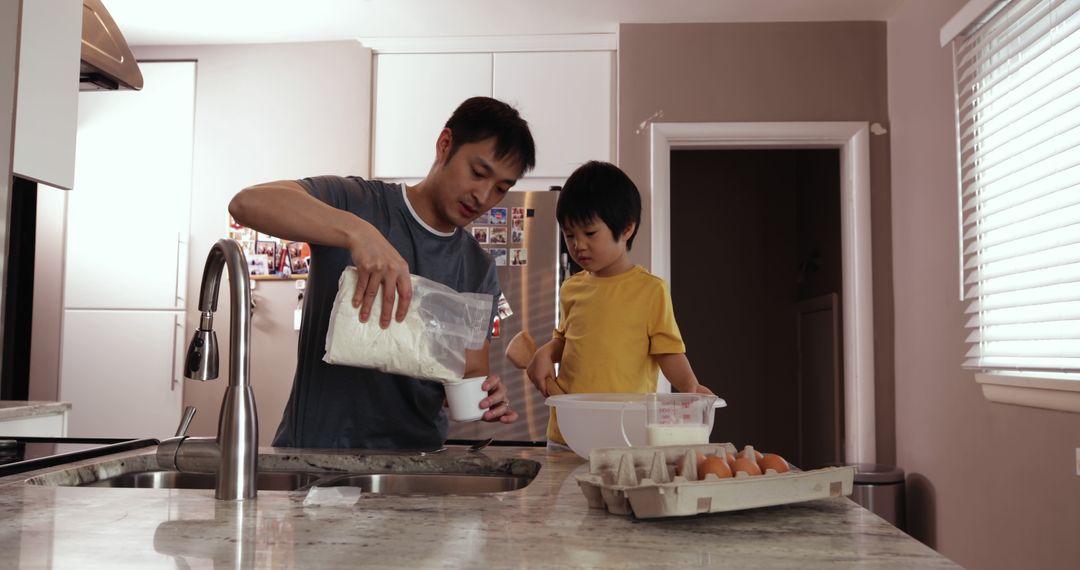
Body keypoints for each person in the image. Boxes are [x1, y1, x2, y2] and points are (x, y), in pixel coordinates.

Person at [229, 97, 535, 450]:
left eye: (500, 187)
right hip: (317, 454)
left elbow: (468, 369)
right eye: (478, 173)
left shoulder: (478, 268)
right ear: (445, 144)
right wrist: (357, 233)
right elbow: (246, 203)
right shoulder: (358, 202)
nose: (483, 196)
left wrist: (482, 393)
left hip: (417, 462)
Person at [526, 161, 712, 447]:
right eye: (569, 234)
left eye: (589, 233)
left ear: (626, 229)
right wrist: (545, 353)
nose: (578, 245)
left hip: (624, 434)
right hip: (567, 433)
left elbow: (668, 352)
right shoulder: (571, 288)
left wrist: (690, 388)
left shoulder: (651, 290)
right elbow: (565, 340)